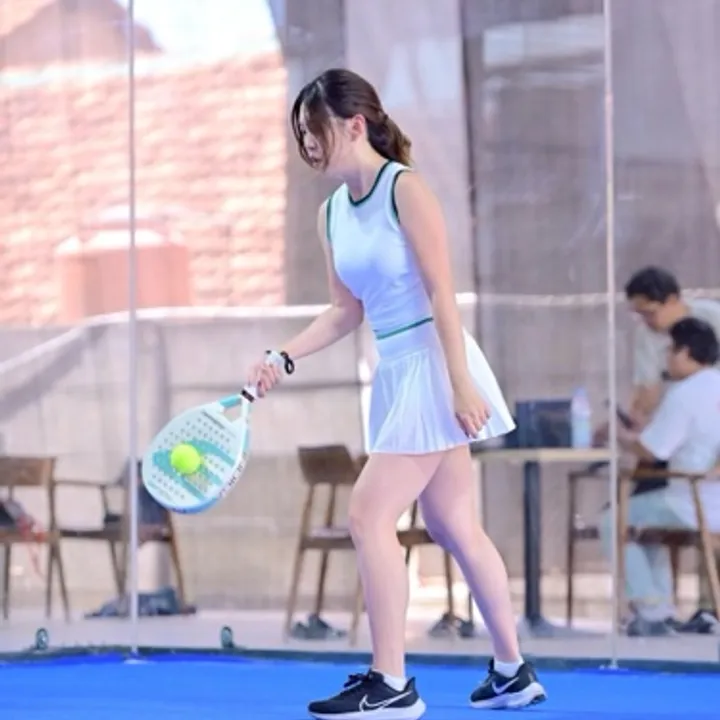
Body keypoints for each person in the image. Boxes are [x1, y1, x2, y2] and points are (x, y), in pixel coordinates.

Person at [246, 68, 546, 718]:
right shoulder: (331, 214)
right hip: (396, 371)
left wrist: (460, 382)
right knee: (453, 525)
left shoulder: (404, 188)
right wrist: (282, 355)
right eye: (301, 135)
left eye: (316, 130)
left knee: (367, 516)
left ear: (355, 124)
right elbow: (345, 311)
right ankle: (512, 671)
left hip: (435, 366)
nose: (309, 145)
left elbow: (442, 292)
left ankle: (392, 683)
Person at [599, 317, 720, 637]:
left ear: (685, 352)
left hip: (690, 500)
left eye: (670, 351)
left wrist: (620, 435)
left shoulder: (685, 394)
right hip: (712, 499)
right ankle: (659, 607)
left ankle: (653, 609)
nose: (666, 358)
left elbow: (653, 450)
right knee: (643, 526)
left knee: (613, 520)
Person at [624, 266, 720, 426]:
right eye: (639, 315)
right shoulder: (645, 335)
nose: (646, 321)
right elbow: (648, 389)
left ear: (672, 301)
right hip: (685, 416)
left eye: (650, 313)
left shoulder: (714, 317)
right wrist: (633, 416)